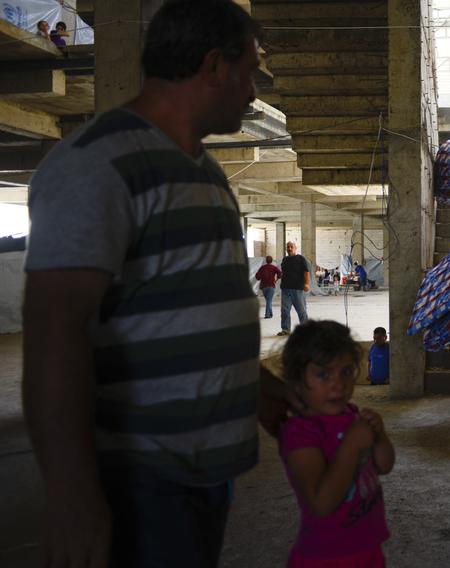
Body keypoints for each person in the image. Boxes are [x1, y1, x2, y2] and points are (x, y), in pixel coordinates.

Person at [21, 2, 287, 566]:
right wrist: (72, 497)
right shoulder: (98, 164)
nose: (254, 90)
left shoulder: (203, 172)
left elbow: (189, 310)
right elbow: (53, 337)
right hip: (142, 480)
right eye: (251, 71)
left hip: (200, 475)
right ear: (215, 65)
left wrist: (268, 397)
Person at [279, 320, 394, 566]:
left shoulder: (351, 415)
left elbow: (384, 466)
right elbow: (320, 504)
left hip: (368, 549)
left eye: (346, 371)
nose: (338, 383)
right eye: (323, 374)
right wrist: (351, 447)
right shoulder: (300, 433)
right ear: (297, 381)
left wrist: (379, 435)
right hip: (326, 557)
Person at [278, 241, 310, 336]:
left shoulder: (301, 259)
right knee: (284, 310)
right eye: (288, 247)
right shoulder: (285, 260)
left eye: (291, 246)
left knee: (301, 311)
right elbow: (283, 272)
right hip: (285, 289)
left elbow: (306, 272)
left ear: (295, 248)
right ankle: (286, 329)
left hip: (297, 289)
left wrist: (307, 284)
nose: (289, 248)